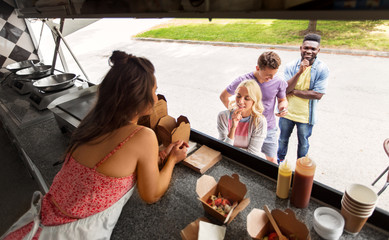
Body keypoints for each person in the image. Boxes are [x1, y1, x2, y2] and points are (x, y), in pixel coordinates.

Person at [2, 51, 188, 239]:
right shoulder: (143, 136)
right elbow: (152, 194)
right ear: (139, 98)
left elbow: (119, 164)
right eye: (154, 90)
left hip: (38, 222)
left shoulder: (91, 122)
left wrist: (159, 157)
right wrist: (172, 159)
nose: (156, 98)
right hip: (69, 233)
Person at [220, 51, 288, 163]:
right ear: (257, 68)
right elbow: (224, 96)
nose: (271, 78)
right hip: (246, 127)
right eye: (268, 75)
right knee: (242, 159)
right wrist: (235, 112)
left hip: (268, 128)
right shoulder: (243, 80)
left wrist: (283, 108)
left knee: (271, 160)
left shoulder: (278, 82)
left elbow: (282, 100)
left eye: (274, 74)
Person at [277, 33, 329, 163]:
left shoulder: (322, 69)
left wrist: (293, 91)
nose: (309, 51)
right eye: (306, 48)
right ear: (301, 48)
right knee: (282, 140)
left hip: (305, 116)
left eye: (313, 49)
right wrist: (299, 72)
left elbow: (318, 94)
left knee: (303, 144)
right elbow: (284, 89)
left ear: (318, 51)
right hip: (287, 113)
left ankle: (300, 167)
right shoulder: (291, 66)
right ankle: (279, 163)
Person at [217, 80, 267, 156]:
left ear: (254, 101)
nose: (240, 101)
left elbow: (252, 154)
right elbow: (223, 149)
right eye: (238, 96)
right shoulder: (223, 116)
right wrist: (233, 128)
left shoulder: (259, 122)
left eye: (246, 98)